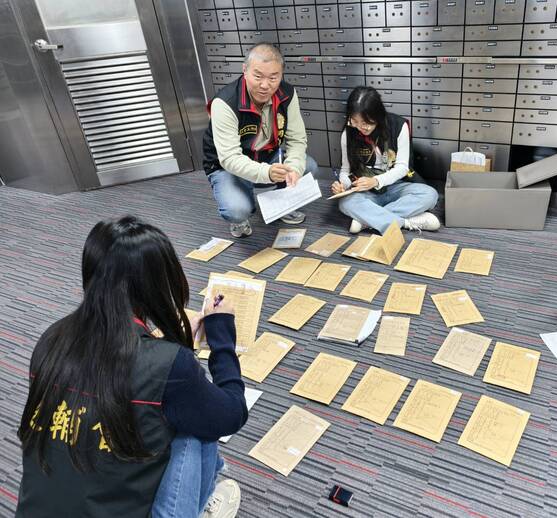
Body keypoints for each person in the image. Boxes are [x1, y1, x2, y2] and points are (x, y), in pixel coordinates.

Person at [16, 216, 248, 518]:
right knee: (197, 422)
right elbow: (231, 413)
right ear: (158, 283)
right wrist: (221, 335)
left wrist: (171, 350)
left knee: (176, 403)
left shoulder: (52, 339)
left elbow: (116, 371)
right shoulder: (167, 366)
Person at [202, 43, 319, 238]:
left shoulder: (287, 94)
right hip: (226, 166)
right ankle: (240, 215)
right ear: (245, 70)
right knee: (237, 209)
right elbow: (229, 158)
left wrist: (293, 168)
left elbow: (297, 139)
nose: (265, 85)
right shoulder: (225, 103)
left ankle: (282, 206)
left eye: (273, 78)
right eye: (258, 76)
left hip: (266, 156)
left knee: (308, 166)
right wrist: (267, 173)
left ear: (281, 75)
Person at [330, 86, 440, 234]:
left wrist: (376, 181)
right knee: (345, 202)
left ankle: (366, 220)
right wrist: (343, 184)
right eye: (355, 121)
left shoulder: (398, 125)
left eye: (366, 122)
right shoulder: (348, 133)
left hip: (396, 186)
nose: (361, 127)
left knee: (430, 194)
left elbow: (402, 167)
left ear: (378, 114)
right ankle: (407, 222)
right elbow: (346, 170)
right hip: (366, 191)